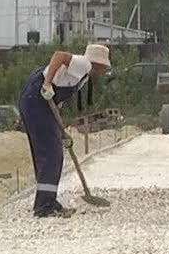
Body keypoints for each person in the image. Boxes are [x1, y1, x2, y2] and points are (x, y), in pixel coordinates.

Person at [18, 44, 111, 218]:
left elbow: (57, 97)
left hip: (38, 101)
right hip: (36, 98)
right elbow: (59, 55)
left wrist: (62, 132)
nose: (103, 71)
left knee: (48, 153)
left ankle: (46, 201)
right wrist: (46, 84)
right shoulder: (84, 64)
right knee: (52, 154)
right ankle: (45, 206)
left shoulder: (83, 76)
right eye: (103, 68)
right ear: (98, 64)